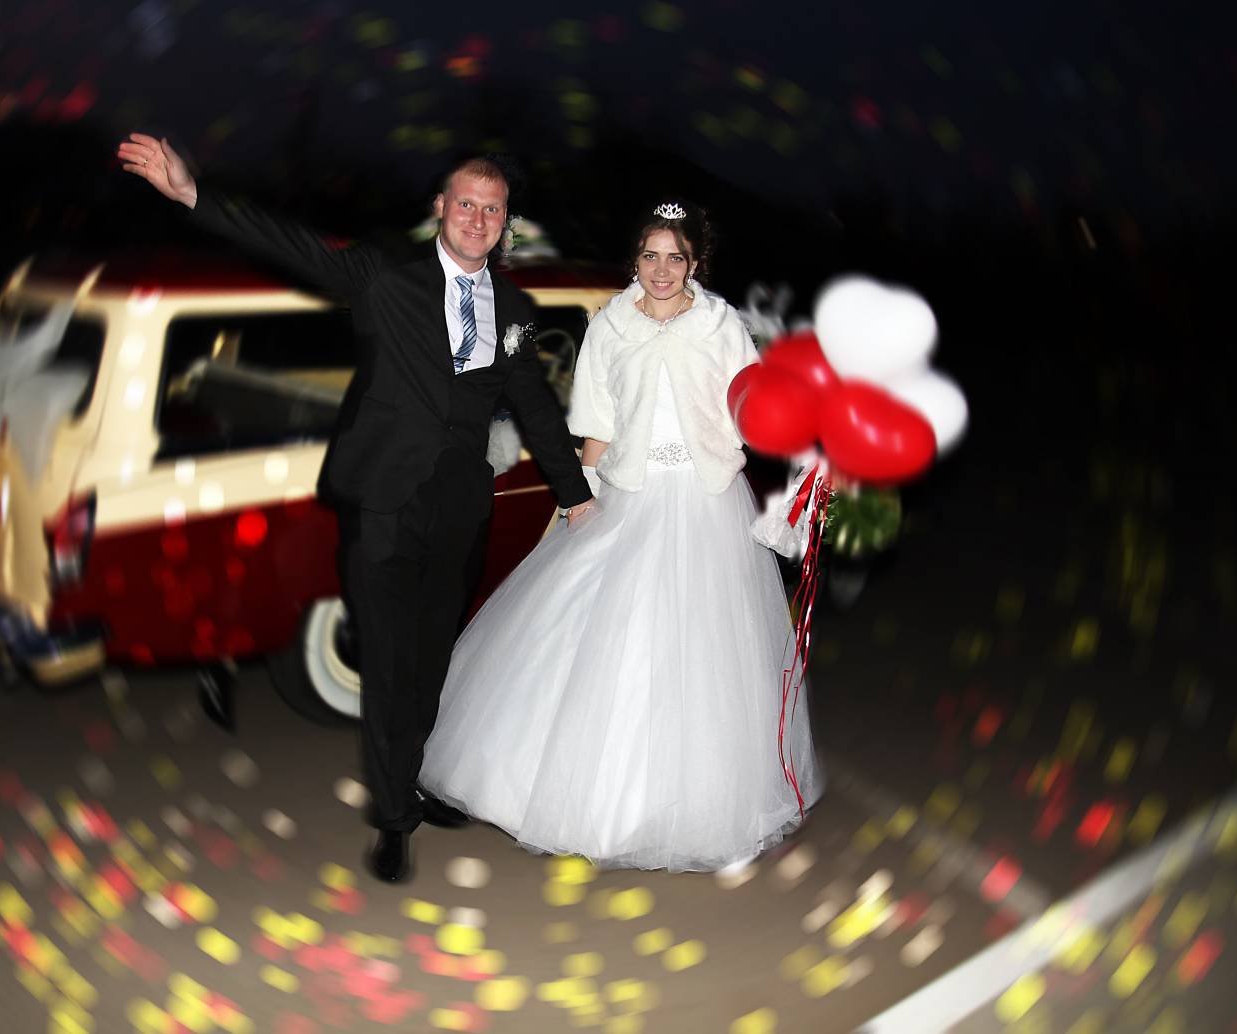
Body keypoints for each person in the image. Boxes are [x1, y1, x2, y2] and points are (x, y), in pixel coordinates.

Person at [115, 134, 595, 883]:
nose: (477, 218)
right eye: (465, 204)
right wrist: (193, 194)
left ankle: (415, 778)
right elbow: (292, 244)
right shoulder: (383, 275)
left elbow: (533, 403)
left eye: (492, 209)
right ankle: (393, 818)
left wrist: (575, 493)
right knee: (389, 659)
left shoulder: (514, 307)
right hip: (381, 500)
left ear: (506, 222)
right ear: (440, 208)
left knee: (433, 658)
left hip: (460, 505)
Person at [419, 202, 822, 871]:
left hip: (706, 500)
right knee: (600, 634)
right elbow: (598, 425)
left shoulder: (723, 325)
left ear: (694, 263)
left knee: (703, 653)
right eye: (650, 255)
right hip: (628, 495)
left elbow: (758, 413)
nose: (661, 269)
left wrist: (811, 444)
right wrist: (578, 499)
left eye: (675, 257)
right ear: (635, 260)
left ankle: (695, 803)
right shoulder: (609, 325)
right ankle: (585, 797)